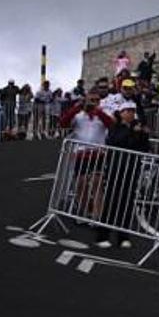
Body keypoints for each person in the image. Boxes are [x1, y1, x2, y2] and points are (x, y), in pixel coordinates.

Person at [61, 92, 114, 242]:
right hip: (81, 155)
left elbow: (111, 124)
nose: (94, 103)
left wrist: (98, 111)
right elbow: (63, 123)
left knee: (97, 184)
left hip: (98, 154)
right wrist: (76, 108)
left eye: (96, 100)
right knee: (81, 184)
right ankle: (83, 213)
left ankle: (97, 217)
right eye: (91, 100)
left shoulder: (103, 113)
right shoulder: (78, 116)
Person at [100, 99, 151, 249]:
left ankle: (123, 236)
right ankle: (104, 234)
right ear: (121, 113)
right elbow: (114, 142)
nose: (130, 114)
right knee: (111, 201)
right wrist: (131, 131)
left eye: (132, 111)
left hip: (132, 169)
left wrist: (143, 135)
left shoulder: (138, 128)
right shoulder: (115, 127)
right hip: (116, 168)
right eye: (127, 111)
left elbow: (144, 148)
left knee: (127, 203)